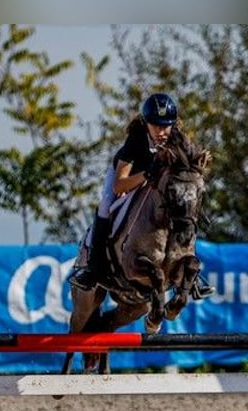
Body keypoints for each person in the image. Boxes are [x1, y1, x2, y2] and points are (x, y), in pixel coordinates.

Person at [69, 92, 215, 299]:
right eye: (156, 125)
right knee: (105, 207)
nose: (161, 131)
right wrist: (146, 175)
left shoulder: (177, 139)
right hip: (129, 178)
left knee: (181, 210)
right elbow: (120, 185)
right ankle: (92, 268)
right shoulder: (136, 142)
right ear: (146, 123)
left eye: (166, 125)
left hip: (157, 186)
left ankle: (190, 274)